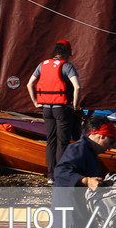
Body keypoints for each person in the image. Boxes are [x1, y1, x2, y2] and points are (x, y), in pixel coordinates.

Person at [27, 40, 83, 175]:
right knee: (62, 142)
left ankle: (51, 175)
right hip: (62, 109)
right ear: (66, 53)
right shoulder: (67, 66)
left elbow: (29, 84)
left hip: (46, 108)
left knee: (51, 141)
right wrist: (75, 105)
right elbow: (78, 87)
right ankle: (61, 174)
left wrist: (35, 102)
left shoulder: (43, 65)